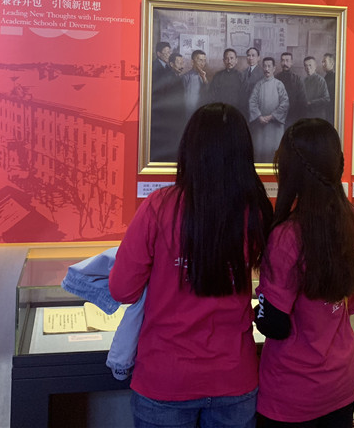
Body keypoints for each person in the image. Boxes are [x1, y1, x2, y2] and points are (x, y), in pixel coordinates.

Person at [109, 102, 273, 428]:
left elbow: (122, 289)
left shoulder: (158, 207)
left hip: (165, 376)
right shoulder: (255, 212)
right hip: (234, 376)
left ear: (189, 149)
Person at [255, 119, 354, 427]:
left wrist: (256, 308)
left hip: (291, 391)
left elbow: (273, 324)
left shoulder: (286, 237)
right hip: (342, 383)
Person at [249, 57, 289, 163]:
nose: (267, 69)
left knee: (275, 153)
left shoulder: (279, 84)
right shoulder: (258, 85)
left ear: (274, 68)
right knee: (260, 153)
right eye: (265, 66)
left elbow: (285, 103)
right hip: (261, 126)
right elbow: (252, 102)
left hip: (275, 127)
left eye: (269, 66)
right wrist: (259, 116)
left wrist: (272, 116)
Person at [276, 52, 307, 127]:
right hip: (278, 116)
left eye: (287, 60)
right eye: (283, 60)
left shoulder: (297, 79)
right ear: (280, 62)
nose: (285, 63)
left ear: (291, 62)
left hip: (293, 116)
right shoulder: (276, 78)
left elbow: (302, 101)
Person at [182, 49, 208, 118]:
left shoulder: (204, 76)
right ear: (192, 62)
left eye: (204, 60)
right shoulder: (186, 77)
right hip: (189, 112)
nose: (202, 63)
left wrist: (204, 79)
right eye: (200, 60)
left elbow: (209, 92)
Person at [322, 53, 336, 124]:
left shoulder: (334, 78)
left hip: (331, 111)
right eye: (322, 62)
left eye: (325, 61)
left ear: (332, 64)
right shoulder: (326, 77)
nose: (323, 64)